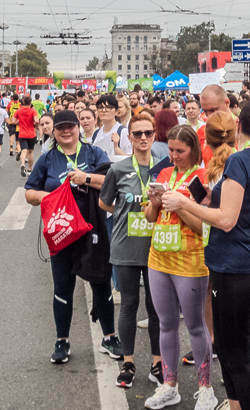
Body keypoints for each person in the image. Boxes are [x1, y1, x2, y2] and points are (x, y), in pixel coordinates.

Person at [162, 101, 250, 410]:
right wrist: (204, 196)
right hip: (242, 267)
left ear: (239, 129)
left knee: (238, 355)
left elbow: (226, 220)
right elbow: (237, 210)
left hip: (235, 269)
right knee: (229, 351)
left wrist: (184, 203)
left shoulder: (241, 161)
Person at [25, 109, 120, 364]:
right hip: (62, 233)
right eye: (61, 128)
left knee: (100, 283)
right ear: (54, 132)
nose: (66, 131)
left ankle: (109, 336)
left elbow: (111, 182)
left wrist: (85, 178)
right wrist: (52, 197)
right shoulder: (47, 159)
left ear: (78, 128)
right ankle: (62, 340)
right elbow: (29, 194)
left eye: (71, 126)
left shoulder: (93, 153)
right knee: (63, 286)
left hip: (93, 229)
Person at [99, 110, 164, 390]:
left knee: (156, 308)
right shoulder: (118, 169)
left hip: (157, 249)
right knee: (128, 305)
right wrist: (125, 211)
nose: (143, 138)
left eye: (148, 133)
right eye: (137, 133)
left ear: (154, 135)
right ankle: (127, 362)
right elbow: (104, 203)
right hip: (125, 247)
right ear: (129, 137)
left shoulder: (165, 168)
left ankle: (157, 362)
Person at [16, 98, 38, 177]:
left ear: (22, 102)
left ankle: (22, 164)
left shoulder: (18, 111)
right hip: (31, 134)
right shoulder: (33, 111)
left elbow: (13, 120)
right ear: (30, 103)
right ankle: (29, 169)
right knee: (31, 151)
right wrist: (36, 125)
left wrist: (19, 122)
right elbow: (37, 120)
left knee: (23, 150)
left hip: (22, 134)